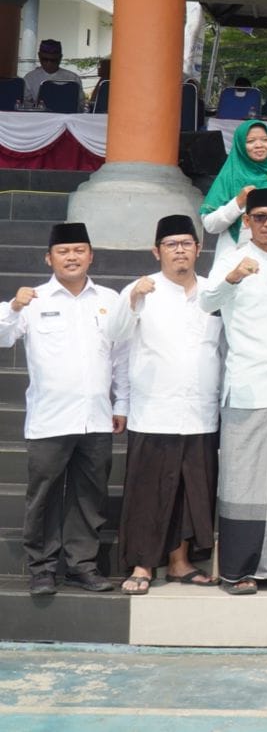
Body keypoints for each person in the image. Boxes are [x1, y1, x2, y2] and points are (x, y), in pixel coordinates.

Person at [109, 215, 225, 594]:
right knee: (149, 492)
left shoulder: (213, 293)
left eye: (186, 243)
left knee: (193, 492)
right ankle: (142, 566)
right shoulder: (143, 290)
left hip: (200, 411)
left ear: (198, 248)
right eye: (172, 244)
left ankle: (179, 563)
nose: (180, 250)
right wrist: (133, 299)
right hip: (154, 411)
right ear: (156, 251)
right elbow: (116, 336)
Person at [3, 223, 120, 596]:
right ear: (49, 258)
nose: (72, 257)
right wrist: (13, 307)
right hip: (49, 418)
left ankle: (82, 566)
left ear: (90, 256)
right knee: (45, 495)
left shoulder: (109, 299)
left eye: (79, 250)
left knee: (89, 496)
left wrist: (125, 403)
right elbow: (3, 337)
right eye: (64, 251)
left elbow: (122, 357)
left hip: (97, 416)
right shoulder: (33, 299)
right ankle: (42, 568)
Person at [200, 187, 267, 596]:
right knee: (245, 484)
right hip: (248, 388)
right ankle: (238, 568)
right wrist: (231, 277)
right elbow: (207, 302)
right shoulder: (231, 258)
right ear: (247, 221)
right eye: (259, 217)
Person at [200, 120, 267, 272]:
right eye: (250, 141)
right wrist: (237, 203)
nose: (259, 145)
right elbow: (210, 224)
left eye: (264, 140)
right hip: (236, 258)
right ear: (240, 145)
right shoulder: (229, 175)